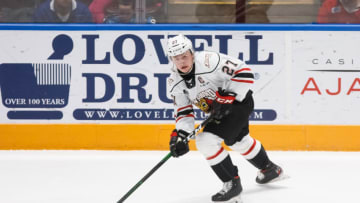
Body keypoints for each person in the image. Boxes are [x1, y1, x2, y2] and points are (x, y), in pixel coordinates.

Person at [166, 34, 284, 202]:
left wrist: (228, 98)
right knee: (238, 140)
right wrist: (181, 136)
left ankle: (232, 184)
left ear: (192, 53)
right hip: (221, 110)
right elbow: (184, 112)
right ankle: (269, 169)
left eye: (184, 56)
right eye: (176, 58)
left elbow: (244, 71)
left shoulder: (209, 60)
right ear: (171, 59)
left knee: (205, 140)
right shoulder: (173, 82)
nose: (181, 62)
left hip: (238, 102)